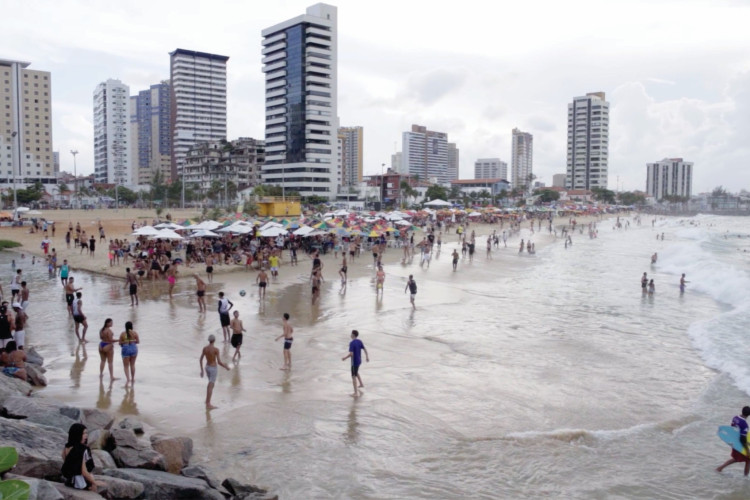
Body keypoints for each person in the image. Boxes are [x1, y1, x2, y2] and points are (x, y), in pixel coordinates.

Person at [61, 423, 98, 492]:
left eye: (86, 433)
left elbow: (65, 460)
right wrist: (94, 483)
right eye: (84, 433)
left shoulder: (67, 447)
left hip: (69, 480)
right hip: (79, 483)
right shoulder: (81, 449)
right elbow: (84, 471)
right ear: (77, 435)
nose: (86, 435)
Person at [717, 406, 750, 476]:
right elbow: (742, 438)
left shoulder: (735, 417)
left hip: (735, 442)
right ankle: (746, 477)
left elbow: (732, 430)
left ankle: (720, 468)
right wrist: (747, 449)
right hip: (740, 444)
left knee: (737, 459)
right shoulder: (745, 424)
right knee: (748, 460)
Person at [199, 334, 229, 409]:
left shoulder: (205, 348)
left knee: (210, 384)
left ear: (209, 340)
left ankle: (207, 401)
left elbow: (201, 359)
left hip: (207, 367)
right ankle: (208, 403)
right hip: (213, 368)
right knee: (211, 385)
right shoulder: (216, 350)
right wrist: (226, 367)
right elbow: (219, 362)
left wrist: (202, 370)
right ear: (214, 340)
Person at [342, 329, 369, 398]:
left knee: (353, 376)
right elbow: (365, 349)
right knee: (356, 372)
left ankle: (355, 393)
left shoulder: (352, 343)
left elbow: (351, 354)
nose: (350, 335)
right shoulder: (359, 341)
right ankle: (361, 384)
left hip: (354, 362)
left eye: (351, 334)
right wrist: (367, 357)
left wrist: (344, 358)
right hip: (359, 361)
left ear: (353, 335)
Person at [119, 321, 140, 386]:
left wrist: (125, 342)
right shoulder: (135, 333)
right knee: (132, 365)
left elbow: (120, 343)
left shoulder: (123, 333)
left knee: (126, 366)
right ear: (132, 326)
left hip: (126, 348)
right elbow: (138, 341)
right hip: (133, 348)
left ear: (125, 327)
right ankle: (133, 379)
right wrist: (132, 341)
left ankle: (128, 379)